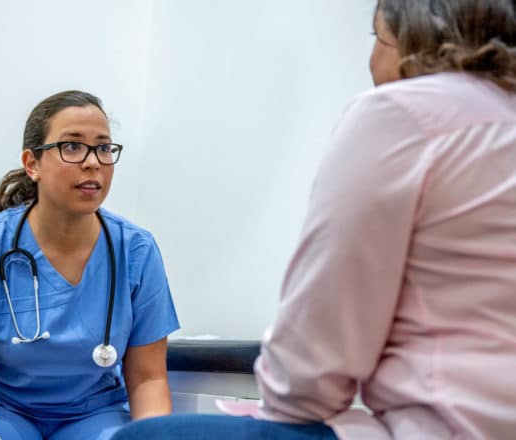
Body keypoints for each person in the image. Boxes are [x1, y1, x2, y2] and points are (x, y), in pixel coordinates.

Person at [112, 0, 516, 439]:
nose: (372, 60)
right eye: (71, 147)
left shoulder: (402, 112)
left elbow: (317, 348)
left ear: (412, 42)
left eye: (377, 38)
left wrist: (287, 406)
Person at [0, 90, 180, 440]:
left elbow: (147, 379)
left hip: (95, 414)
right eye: (72, 146)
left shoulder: (136, 251)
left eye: (104, 148)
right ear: (32, 164)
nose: (93, 162)